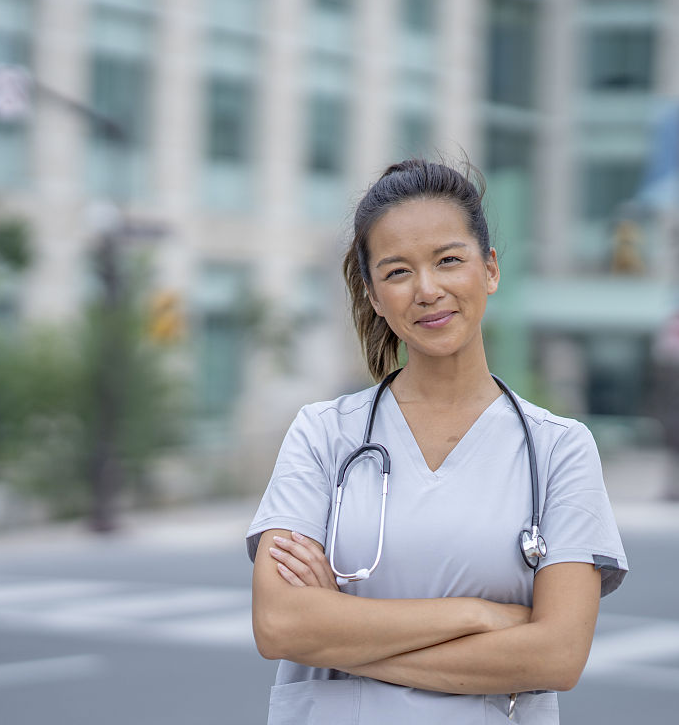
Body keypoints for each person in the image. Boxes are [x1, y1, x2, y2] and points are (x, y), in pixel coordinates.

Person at [246, 159, 628, 724]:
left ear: (491, 270)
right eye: (397, 272)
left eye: (449, 260)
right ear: (374, 294)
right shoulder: (325, 434)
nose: (428, 290)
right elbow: (281, 625)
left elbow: (558, 655)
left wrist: (338, 632)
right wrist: (479, 615)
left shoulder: (558, 450)